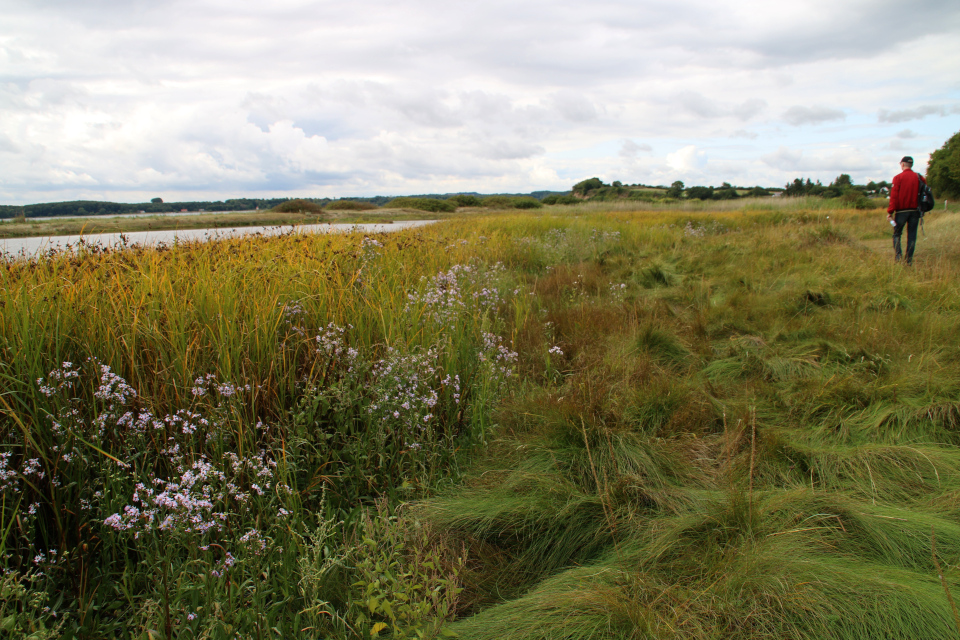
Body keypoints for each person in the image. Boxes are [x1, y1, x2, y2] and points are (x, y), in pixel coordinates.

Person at [886, 156, 927, 265]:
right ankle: (909, 260)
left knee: (897, 233)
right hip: (915, 211)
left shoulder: (898, 178)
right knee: (912, 235)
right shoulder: (919, 177)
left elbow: (894, 196)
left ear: (902, 164)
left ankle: (898, 256)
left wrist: (890, 212)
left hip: (901, 212)